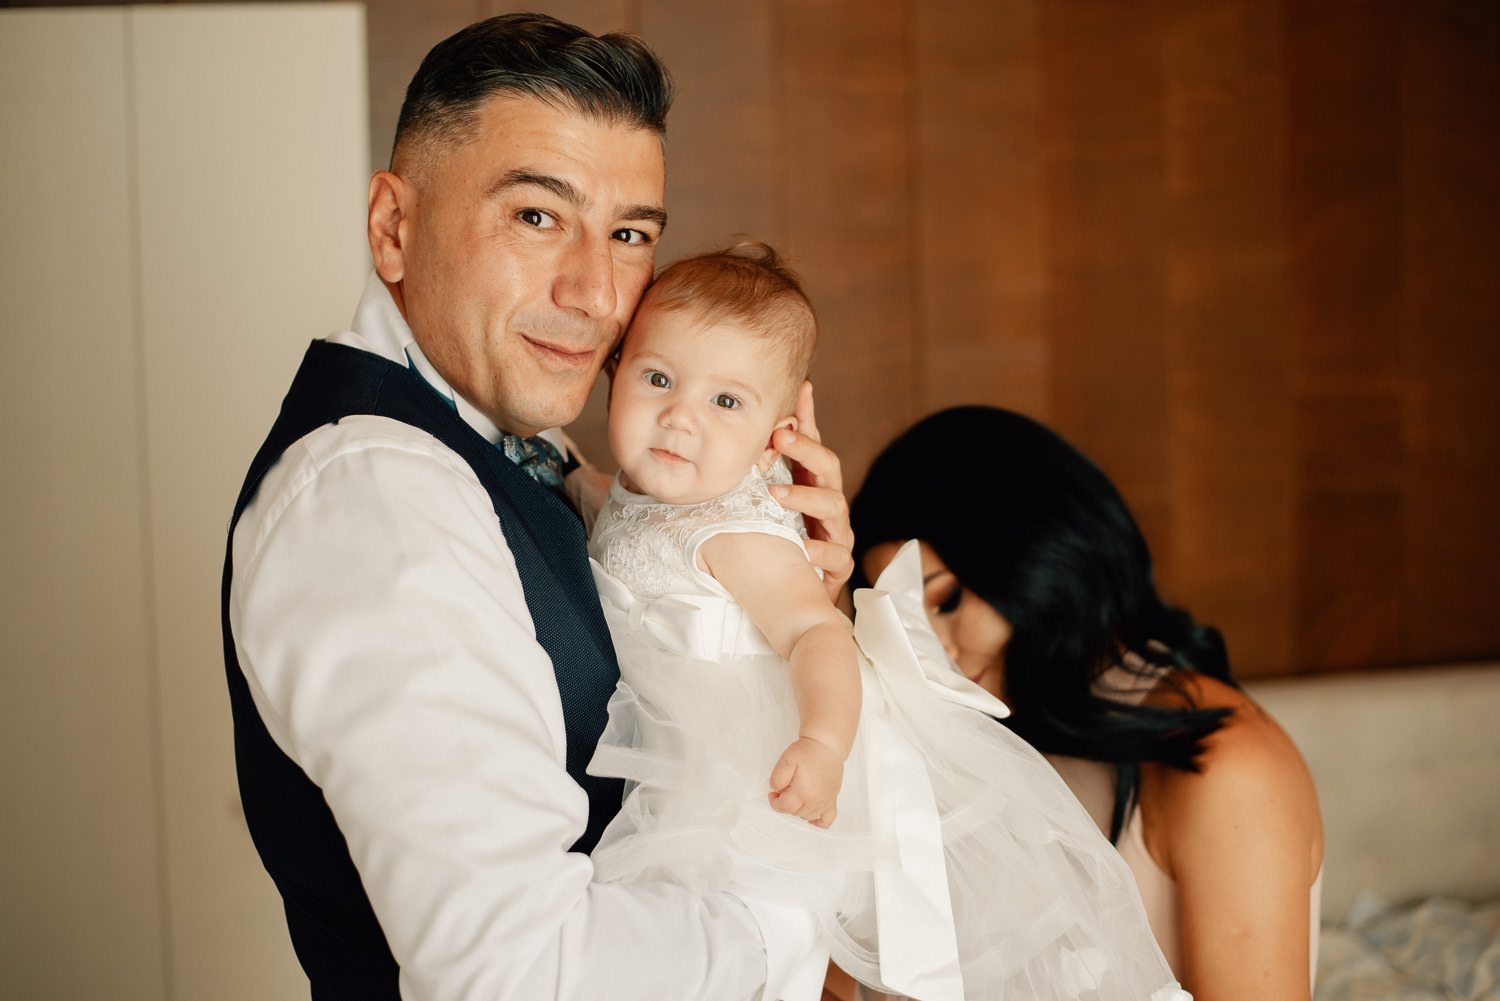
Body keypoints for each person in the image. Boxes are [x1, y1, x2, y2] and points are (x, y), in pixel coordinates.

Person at [221, 15, 854, 1001]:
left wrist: (778, 583)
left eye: (630, 234)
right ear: (394, 228)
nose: (597, 292)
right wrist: (807, 924)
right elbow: (516, 971)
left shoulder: (515, 445)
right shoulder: (379, 499)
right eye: (536, 216)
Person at [585, 246, 1189, 1001]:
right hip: (674, 755)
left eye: (726, 402)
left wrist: (822, 743)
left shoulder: (737, 533)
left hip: (744, 777)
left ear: (776, 436)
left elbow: (816, 634)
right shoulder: (631, 489)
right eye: (658, 379)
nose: (681, 416)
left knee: (745, 948)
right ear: (614, 373)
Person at [849, 406, 1324, 1001]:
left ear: (1039, 553)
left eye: (946, 602)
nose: (936, 653)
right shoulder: (995, 745)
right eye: (907, 624)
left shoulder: (1229, 772)